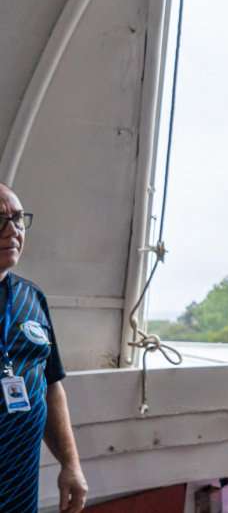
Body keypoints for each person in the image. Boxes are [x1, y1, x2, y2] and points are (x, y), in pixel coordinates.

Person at [0, 183, 88, 513]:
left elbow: (50, 385)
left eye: (18, 219)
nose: (13, 230)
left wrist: (71, 464)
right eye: (0, 220)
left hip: (20, 488)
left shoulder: (32, 298)